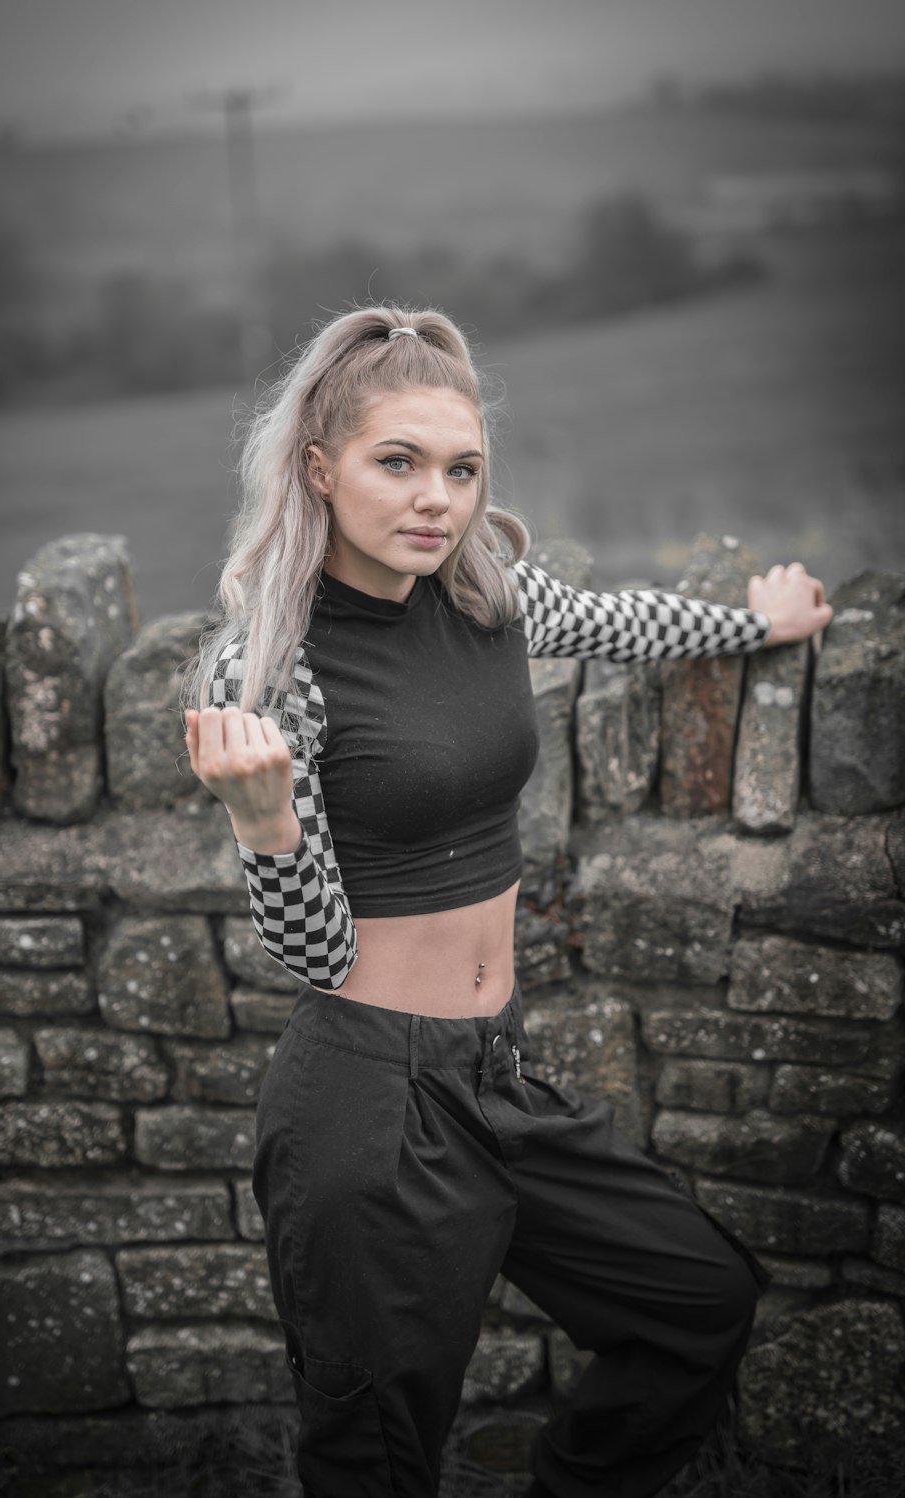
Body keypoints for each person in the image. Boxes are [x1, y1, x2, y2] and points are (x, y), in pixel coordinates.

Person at [182, 306, 832, 1498]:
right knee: (376, 1451)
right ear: (319, 470)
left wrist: (762, 622)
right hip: (370, 1103)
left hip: (498, 1074)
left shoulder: (486, 594)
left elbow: (628, 620)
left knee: (698, 1299)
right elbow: (315, 950)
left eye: (461, 469)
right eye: (398, 462)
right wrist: (264, 824)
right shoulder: (270, 664)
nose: (437, 498)